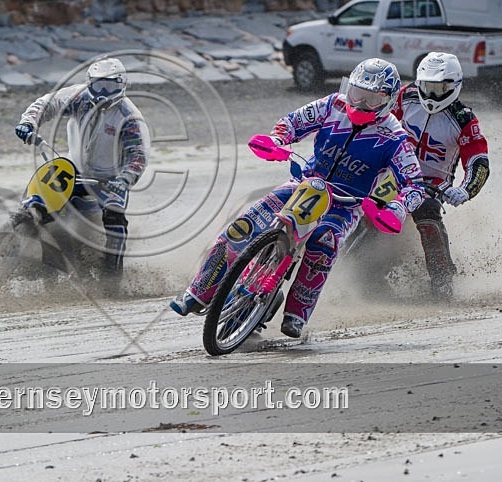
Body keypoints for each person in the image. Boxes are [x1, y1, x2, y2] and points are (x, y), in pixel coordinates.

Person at [170, 58, 425, 338]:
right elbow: (292, 122)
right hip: (303, 184)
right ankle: (197, 291)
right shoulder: (332, 104)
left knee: (323, 244)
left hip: (345, 204)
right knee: (242, 226)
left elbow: (415, 185)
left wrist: (397, 208)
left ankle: (296, 314)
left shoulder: (395, 138)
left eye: (371, 99)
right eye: (357, 94)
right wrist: (277, 141)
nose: (361, 103)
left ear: (388, 100)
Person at [13, 57, 150, 279]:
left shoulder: (130, 117)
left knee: (115, 220)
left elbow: (138, 154)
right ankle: (15, 242)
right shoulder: (78, 97)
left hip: (110, 180)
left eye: (110, 86)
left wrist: (126, 178)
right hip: (72, 169)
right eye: (98, 85)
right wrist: (28, 122)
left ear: (122, 85)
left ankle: (111, 277)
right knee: (34, 202)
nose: (103, 93)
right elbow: (48, 103)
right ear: (89, 83)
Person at [391, 52, 490, 299]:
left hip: (430, 186)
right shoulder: (405, 96)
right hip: (391, 173)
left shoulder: (464, 119)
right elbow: (380, 122)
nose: (431, 94)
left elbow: (478, 162)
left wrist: (465, 190)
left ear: (455, 85)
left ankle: (442, 282)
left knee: (428, 215)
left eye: (439, 88)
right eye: (427, 86)